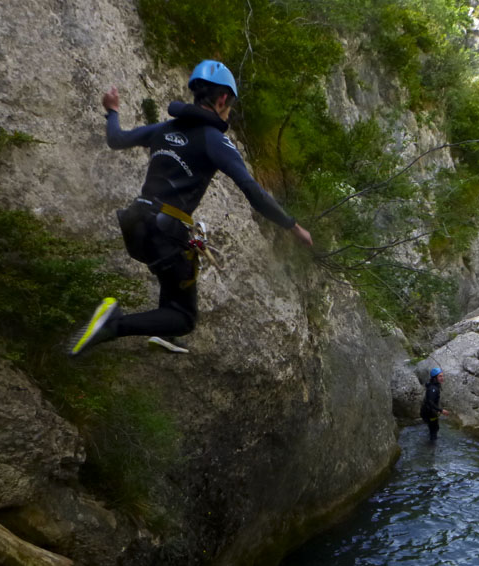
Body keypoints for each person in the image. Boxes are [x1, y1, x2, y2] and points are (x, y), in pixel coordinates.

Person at [69, 60, 313, 356]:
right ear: (223, 99)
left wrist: (112, 112)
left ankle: (166, 333)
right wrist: (292, 226)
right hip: (165, 230)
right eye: (230, 103)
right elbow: (253, 192)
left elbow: (116, 139)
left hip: (136, 225)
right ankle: (113, 324)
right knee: (185, 317)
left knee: (173, 288)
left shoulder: (163, 129)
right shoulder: (214, 140)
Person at [420, 367, 449, 442]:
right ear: (435, 378)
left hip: (428, 411)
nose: (442, 378)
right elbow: (430, 402)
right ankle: (431, 448)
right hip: (429, 413)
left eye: (442, 376)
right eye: (440, 376)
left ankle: (431, 444)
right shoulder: (433, 389)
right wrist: (441, 410)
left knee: (434, 428)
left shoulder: (433, 385)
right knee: (434, 430)